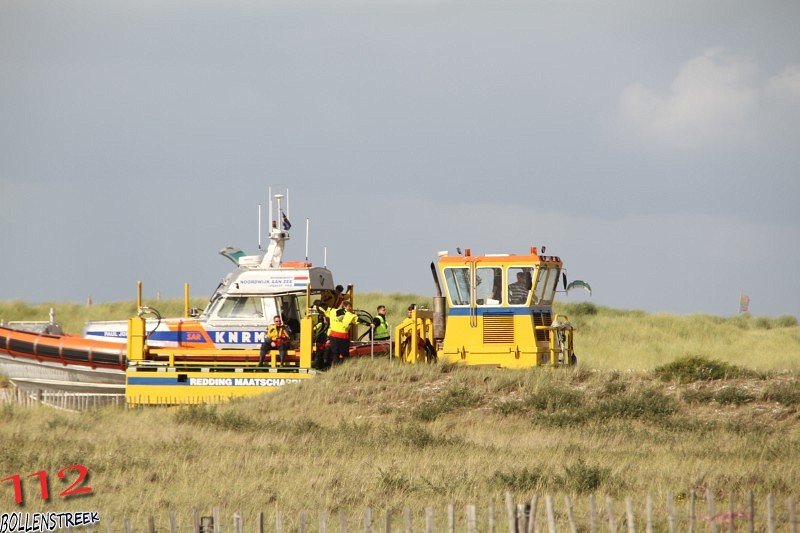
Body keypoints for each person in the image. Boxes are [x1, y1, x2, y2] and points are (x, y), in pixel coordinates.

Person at [325, 300, 359, 366]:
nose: (351, 308)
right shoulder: (349, 315)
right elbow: (358, 320)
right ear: (345, 306)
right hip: (342, 337)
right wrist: (369, 324)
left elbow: (324, 310)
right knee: (344, 354)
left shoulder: (333, 311)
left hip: (333, 336)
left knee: (335, 354)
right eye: (349, 306)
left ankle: (336, 368)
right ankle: (343, 367)